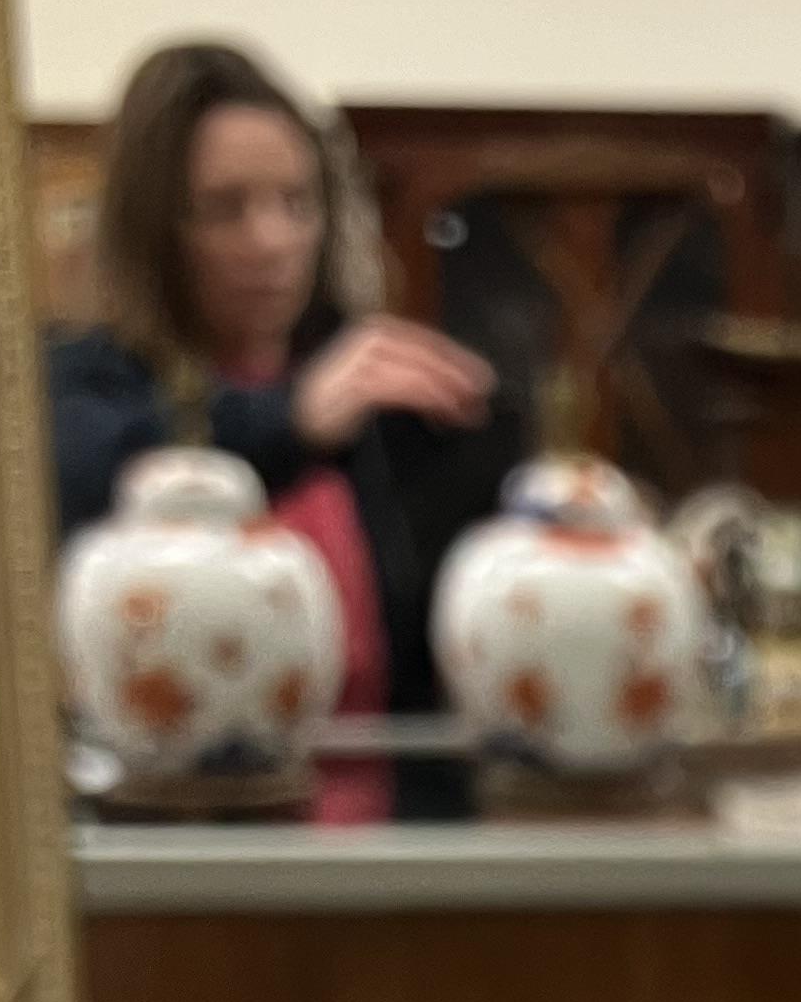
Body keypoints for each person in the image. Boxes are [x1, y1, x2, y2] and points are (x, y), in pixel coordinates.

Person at [46, 41, 515, 820]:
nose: (273, 243)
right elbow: (114, 475)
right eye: (225, 209)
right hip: (182, 872)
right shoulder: (85, 387)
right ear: (152, 226)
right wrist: (291, 418)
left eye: (298, 204)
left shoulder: (369, 396)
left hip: (382, 863)